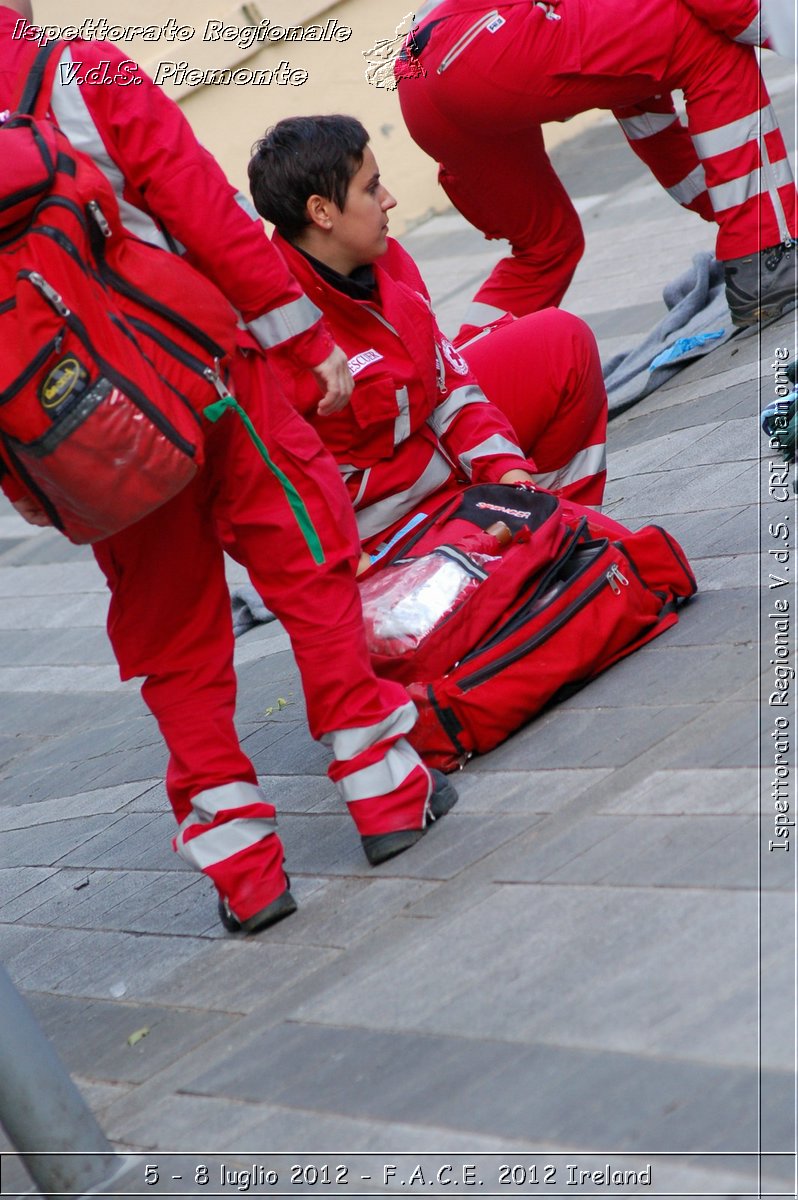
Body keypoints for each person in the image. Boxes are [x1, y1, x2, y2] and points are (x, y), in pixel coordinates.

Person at [0, 2, 458, 935]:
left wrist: (33, 478)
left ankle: (245, 871)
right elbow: (205, 212)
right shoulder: (83, 71)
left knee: (173, 642)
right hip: (205, 371)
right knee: (306, 556)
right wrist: (304, 344)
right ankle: (383, 792)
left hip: (90, 437)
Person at [247, 114, 608, 561]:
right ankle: (534, 555)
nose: (390, 200)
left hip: (447, 471)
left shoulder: (390, 264)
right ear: (321, 212)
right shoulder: (273, 333)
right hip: (388, 537)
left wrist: (515, 479)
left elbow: (450, 391)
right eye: (371, 188)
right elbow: (281, 492)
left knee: (560, 340)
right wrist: (350, 567)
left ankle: (570, 534)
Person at [393, 0, 797, 337]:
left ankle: (466, 383)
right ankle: (767, 253)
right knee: (708, 42)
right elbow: (738, 12)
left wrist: (728, 207)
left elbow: (648, 117)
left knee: (547, 245)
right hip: (481, 40)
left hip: (416, 75)